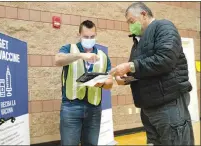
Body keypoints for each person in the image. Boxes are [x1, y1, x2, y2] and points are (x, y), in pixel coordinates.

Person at [114, 2, 194, 145]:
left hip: (169, 103)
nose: (130, 26)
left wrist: (130, 66)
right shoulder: (138, 42)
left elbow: (165, 59)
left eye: (131, 21)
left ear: (143, 14)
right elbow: (140, 70)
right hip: (149, 108)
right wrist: (126, 78)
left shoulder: (164, 27)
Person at [55, 20, 113, 146]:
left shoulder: (103, 56)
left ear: (96, 35)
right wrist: (80, 55)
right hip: (71, 106)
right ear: (79, 35)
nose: (89, 39)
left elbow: (110, 83)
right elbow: (58, 60)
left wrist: (102, 83)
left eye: (92, 37)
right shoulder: (69, 48)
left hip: (94, 108)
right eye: (86, 37)